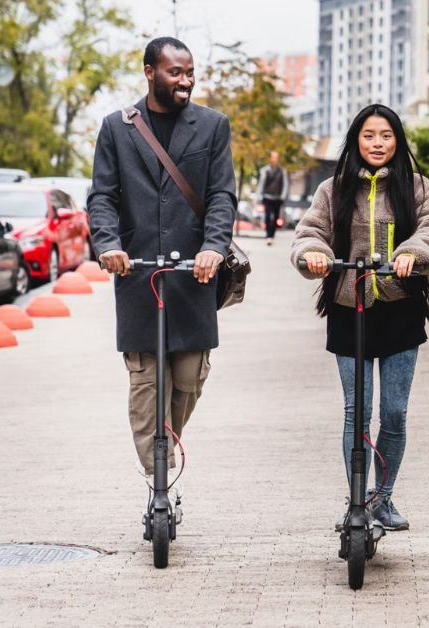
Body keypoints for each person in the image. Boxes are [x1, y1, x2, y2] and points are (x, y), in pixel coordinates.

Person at [87, 36, 236, 523]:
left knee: (189, 377)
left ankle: (166, 440)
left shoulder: (213, 126)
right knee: (147, 382)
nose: (186, 80)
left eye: (190, 71)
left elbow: (220, 196)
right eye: (175, 72)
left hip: (195, 277)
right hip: (138, 277)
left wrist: (214, 247)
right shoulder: (116, 128)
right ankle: (158, 474)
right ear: (149, 71)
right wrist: (108, 245)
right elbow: (102, 197)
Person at [291, 104, 429, 531]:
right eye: (368, 136)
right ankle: (357, 501)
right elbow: (310, 232)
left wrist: (411, 254)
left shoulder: (416, 187)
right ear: (355, 141)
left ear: (397, 140)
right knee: (356, 412)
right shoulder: (333, 188)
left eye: (385, 135)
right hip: (350, 309)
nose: (377, 143)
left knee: (394, 413)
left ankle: (384, 498)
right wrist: (316, 256)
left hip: (400, 310)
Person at [256, 150, 289, 245]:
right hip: (267, 197)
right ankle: (268, 235)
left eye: (276, 157)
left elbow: (285, 184)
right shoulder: (265, 170)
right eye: (273, 157)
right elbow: (261, 185)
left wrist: (283, 196)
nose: (275, 159)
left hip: (277, 198)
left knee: (275, 217)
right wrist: (258, 197)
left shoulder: (282, 171)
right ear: (270, 158)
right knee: (267, 216)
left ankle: (272, 235)